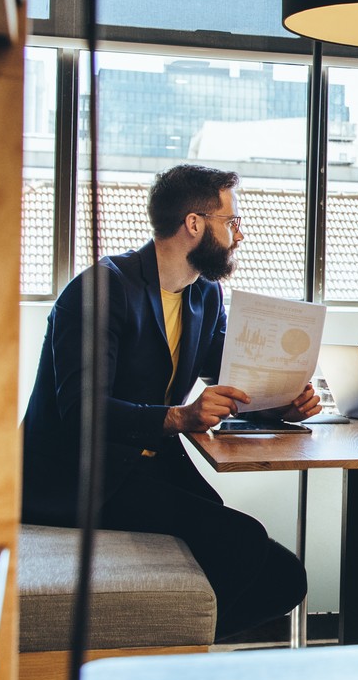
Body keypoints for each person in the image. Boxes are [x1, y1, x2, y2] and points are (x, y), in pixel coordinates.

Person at [21, 164, 313, 640]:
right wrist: (181, 415)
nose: (239, 236)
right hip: (80, 478)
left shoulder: (205, 294)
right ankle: (163, 668)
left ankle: (170, 657)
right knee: (241, 544)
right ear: (194, 224)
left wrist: (282, 404)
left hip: (147, 467)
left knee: (284, 578)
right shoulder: (101, 290)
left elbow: (232, 375)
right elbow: (82, 410)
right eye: (231, 222)